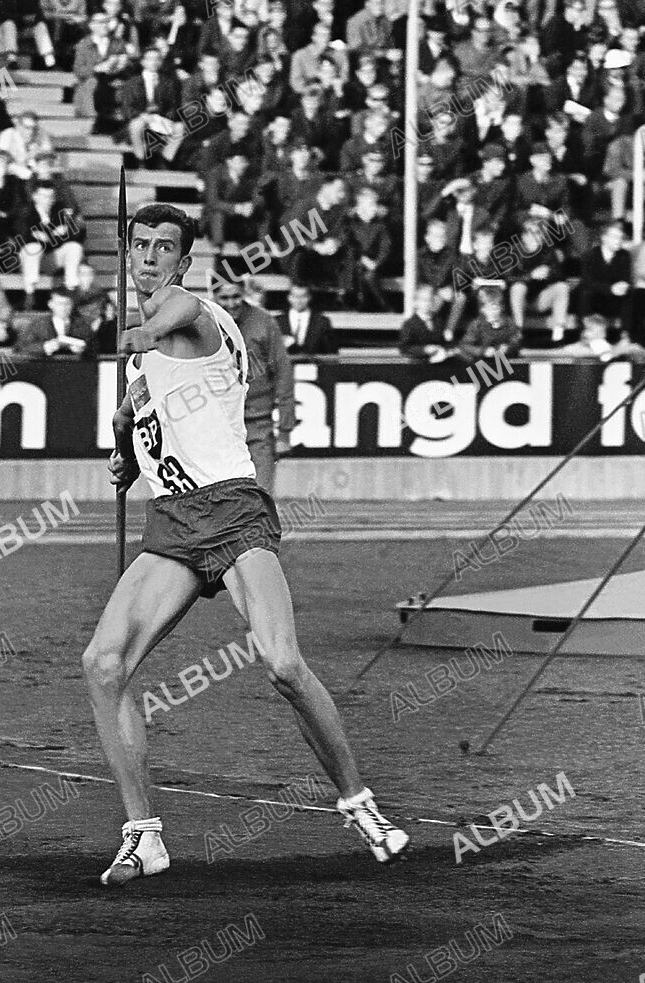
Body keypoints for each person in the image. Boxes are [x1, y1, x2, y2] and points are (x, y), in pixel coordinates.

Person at [83, 202, 410, 885]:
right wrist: (123, 451)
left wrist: (137, 331)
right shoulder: (154, 366)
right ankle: (144, 836)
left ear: (183, 258)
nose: (147, 258)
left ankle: (361, 804)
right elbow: (136, 416)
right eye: (138, 245)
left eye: (162, 247)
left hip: (233, 510)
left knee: (283, 664)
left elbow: (164, 324)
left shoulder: (192, 312)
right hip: (173, 522)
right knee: (103, 661)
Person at [211, 274, 295, 496]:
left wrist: (285, 432)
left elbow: (283, 373)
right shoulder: (203, 323)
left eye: (236, 296)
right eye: (224, 297)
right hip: (218, 427)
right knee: (223, 498)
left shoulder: (264, 322)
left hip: (258, 425)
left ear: (244, 293)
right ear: (214, 296)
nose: (231, 303)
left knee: (261, 497)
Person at [17, 287, 96, 359]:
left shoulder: (82, 325)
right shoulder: (38, 324)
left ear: (72, 305)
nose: (63, 308)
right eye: (59, 304)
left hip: (75, 368)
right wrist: (43, 347)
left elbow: (95, 348)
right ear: (50, 304)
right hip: (44, 367)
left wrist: (83, 350)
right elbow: (21, 347)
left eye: (67, 304)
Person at [276, 281, 337, 355]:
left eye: (303, 296)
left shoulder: (322, 322)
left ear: (309, 297)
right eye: (295, 296)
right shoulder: (277, 321)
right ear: (289, 297)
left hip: (314, 365)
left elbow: (331, 353)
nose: (299, 301)